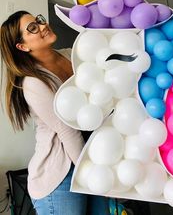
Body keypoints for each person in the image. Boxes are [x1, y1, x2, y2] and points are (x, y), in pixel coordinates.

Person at [0, 11, 110, 215]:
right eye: (32, 28)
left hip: (90, 158)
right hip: (61, 175)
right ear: (23, 46)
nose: (43, 26)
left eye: (39, 20)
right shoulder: (33, 82)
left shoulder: (71, 55)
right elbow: (67, 130)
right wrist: (92, 174)